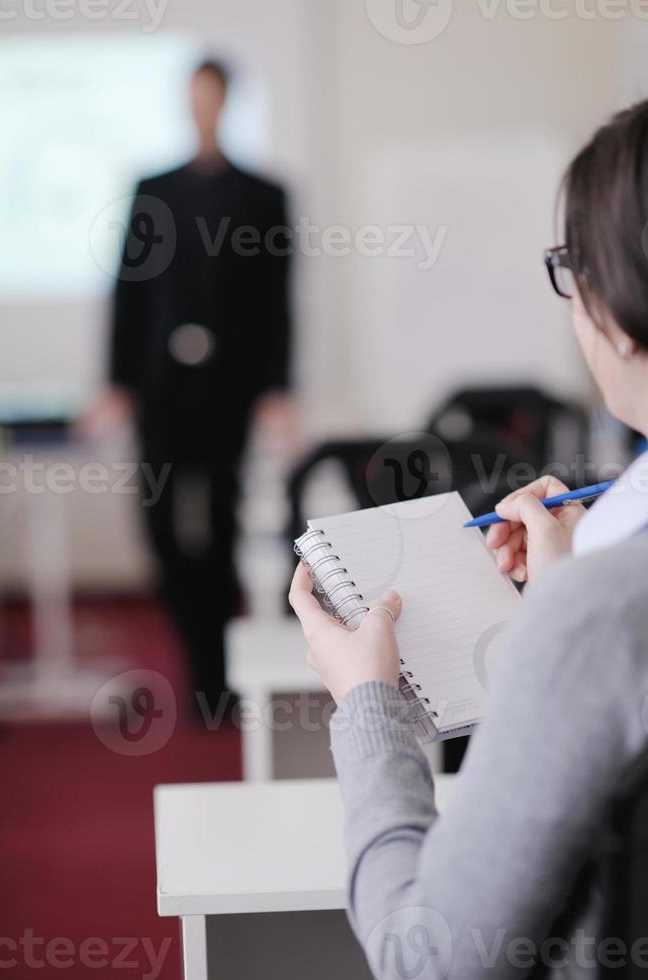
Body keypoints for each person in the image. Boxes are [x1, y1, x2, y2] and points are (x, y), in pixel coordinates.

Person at [290, 99, 648, 979]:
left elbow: (433, 960)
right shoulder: (597, 601)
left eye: (572, 269)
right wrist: (567, 586)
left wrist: (369, 704)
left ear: (622, 305)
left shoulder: (601, 617)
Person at [89, 59, 293, 716]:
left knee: (225, 522)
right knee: (161, 524)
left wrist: (279, 389)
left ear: (227, 102)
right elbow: (126, 293)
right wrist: (116, 381)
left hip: (230, 390)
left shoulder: (264, 195)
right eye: (193, 98)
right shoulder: (152, 189)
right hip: (160, 389)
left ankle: (215, 674)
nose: (203, 107)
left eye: (212, 97)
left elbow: (277, 301)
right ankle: (195, 645)